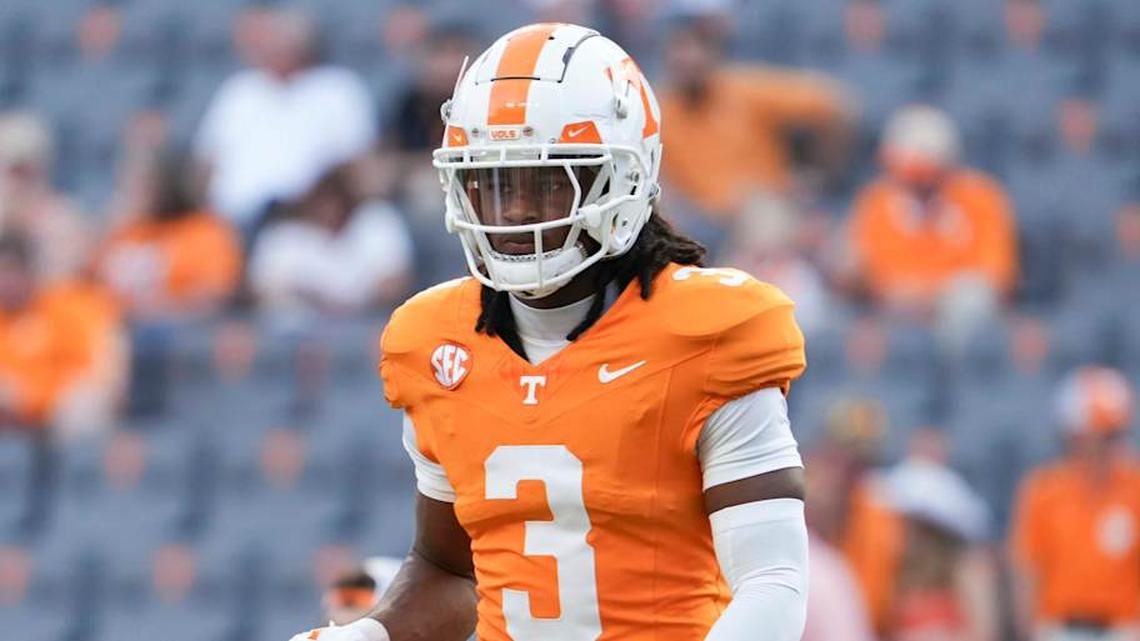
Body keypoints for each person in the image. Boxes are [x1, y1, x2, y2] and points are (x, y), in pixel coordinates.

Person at [289, 23, 810, 641]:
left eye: (545, 183)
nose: (511, 213)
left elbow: (773, 582)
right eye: (491, 183)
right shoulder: (435, 342)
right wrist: (367, 636)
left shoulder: (711, 331)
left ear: (624, 177)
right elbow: (452, 572)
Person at [193, 7, 375, 232]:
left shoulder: (337, 89)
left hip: (306, 220)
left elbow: (356, 160)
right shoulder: (240, 90)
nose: (275, 49)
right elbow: (206, 159)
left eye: (283, 42)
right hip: (230, 219)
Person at [657, 15, 853, 220]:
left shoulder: (745, 90)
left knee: (763, 215)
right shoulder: (658, 112)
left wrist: (818, 175)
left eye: (696, 48)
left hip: (759, 210)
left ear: (714, 53)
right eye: (679, 50)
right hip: (696, 219)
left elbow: (834, 104)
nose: (688, 59)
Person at [848, 105, 1018, 314]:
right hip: (894, 309)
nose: (919, 184)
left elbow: (997, 276)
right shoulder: (876, 201)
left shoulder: (980, 198)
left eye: (926, 173)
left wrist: (931, 293)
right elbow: (867, 278)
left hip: (955, 309)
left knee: (970, 299)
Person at [1011, 366, 1140, 641]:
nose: (1109, 446)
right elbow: (1027, 568)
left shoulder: (1135, 487)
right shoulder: (1045, 490)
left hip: (1124, 628)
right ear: (1073, 437)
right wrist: (1029, 629)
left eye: (1114, 435)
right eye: (1101, 436)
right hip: (1059, 627)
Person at [248, 164, 413, 317]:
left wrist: (350, 299)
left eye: (337, 199)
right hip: (301, 328)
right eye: (324, 200)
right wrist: (308, 294)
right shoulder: (285, 236)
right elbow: (260, 290)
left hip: (364, 321)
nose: (330, 209)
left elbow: (396, 284)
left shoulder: (376, 221)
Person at [0, 234, 123, 434]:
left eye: (10, 272)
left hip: (60, 409)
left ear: (29, 272)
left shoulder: (66, 305)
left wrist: (32, 397)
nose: (5, 281)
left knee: (84, 404)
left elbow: (90, 371)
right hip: (10, 417)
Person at [97, 153, 242, 319]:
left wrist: (154, 309)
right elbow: (92, 285)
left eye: (145, 183)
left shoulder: (206, 232)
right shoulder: (124, 231)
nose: (135, 190)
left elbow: (213, 297)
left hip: (175, 332)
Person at [0, 112, 91, 283]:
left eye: (27, 170)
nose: (20, 181)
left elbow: (65, 283)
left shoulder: (66, 221)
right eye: (15, 171)